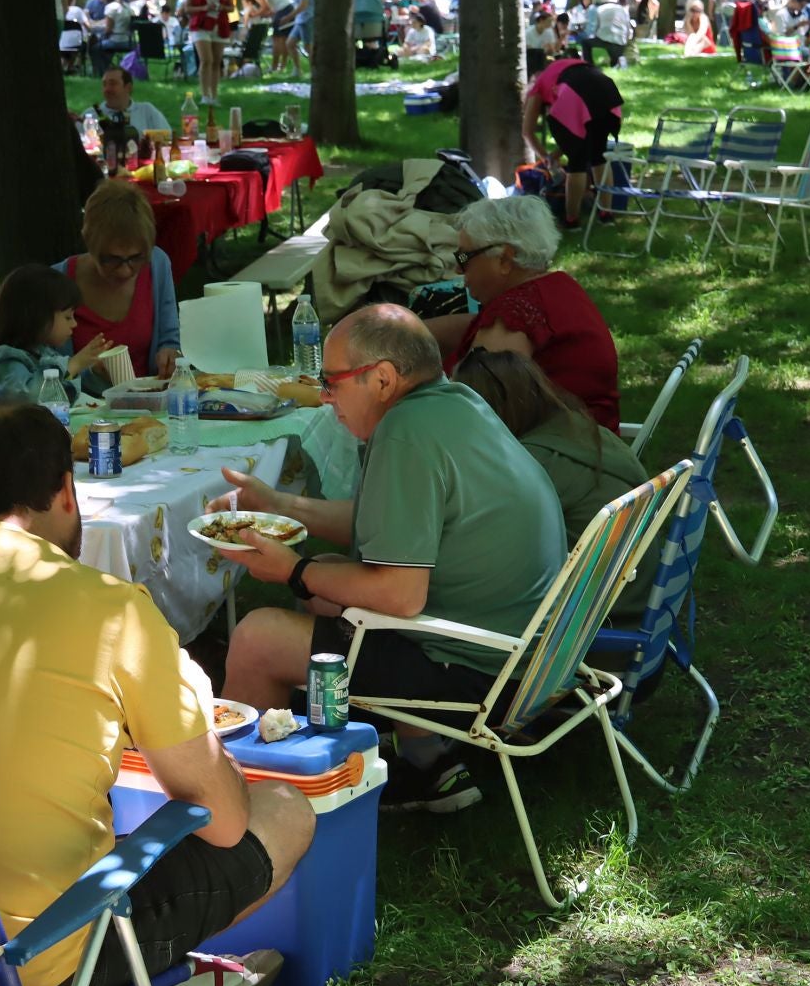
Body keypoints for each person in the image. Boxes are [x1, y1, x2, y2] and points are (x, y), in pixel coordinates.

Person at [0, 404, 312, 986]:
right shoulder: (111, 609)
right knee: (284, 812)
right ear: (67, 492)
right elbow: (226, 825)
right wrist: (204, 730)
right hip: (24, 967)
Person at [212, 305, 562, 813]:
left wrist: (294, 570)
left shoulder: (404, 431)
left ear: (382, 379)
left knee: (256, 637)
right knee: (326, 589)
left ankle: (242, 815)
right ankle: (427, 762)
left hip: (482, 669)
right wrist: (282, 504)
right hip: (530, 652)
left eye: (332, 383)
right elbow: (394, 522)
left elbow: (400, 594)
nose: (326, 398)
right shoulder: (454, 403)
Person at [451, 349, 649, 626]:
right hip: (634, 604)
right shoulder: (582, 431)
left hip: (594, 627)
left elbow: (473, 550)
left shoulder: (526, 463)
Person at [424, 196, 621, 433]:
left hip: (550, 459)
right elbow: (473, 327)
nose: (457, 268)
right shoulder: (557, 287)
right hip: (591, 446)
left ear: (505, 259)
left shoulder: (512, 314)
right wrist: (410, 332)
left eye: (464, 257)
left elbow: (469, 418)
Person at [55, 179, 182, 387]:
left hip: (151, 402)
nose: (125, 270)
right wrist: (91, 375)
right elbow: (51, 375)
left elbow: (169, 337)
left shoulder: (157, 265)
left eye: (136, 258)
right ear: (89, 242)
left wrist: (170, 353)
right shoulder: (58, 283)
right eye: (112, 259)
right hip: (87, 409)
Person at [0, 264, 111, 407]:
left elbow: (66, 390)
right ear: (37, 317)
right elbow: (30, 400)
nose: (74, 324)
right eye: (68, 317)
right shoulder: (4, 361)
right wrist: (74, 364)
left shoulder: (44, 353)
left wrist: (95, 374)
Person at [519, 55, 623, 229]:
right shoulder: (567, 67)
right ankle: (606, 215)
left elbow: (527, 132)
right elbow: (577, 137)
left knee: (577, 163)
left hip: (573, 96)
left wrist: (546, 158)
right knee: (599, 157)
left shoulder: (538, 85)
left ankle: (572, 221)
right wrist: (554, 155)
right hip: (607, 91)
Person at [183, 0, 233, 106]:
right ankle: (205, 95)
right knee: (206, 60)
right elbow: (187, 8)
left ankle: (214, 95)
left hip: (219, 24)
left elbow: (231, 7)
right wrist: (204, 7)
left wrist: (221, 6)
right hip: (200, 25)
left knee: (216, 61)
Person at [90, 65, 170, 135]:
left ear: (128, 87)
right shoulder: (91, 115)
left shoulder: (147, 111)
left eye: (113, 84)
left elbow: (168, 140)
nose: (106, 89)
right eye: (104, 84)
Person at [279, 0, 314, 76]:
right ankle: (297, 70)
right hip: (301, 21)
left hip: (306, 19)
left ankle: (316, 71)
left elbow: (303, 5)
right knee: (290, 43)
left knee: (308, 47)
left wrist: (289, 17)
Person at [584, 0, 633, 66]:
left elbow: (595, 26)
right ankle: (617, 63)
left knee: (585, 43)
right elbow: (628, 26)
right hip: (621, 41)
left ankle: (589, 64)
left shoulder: (599, 9)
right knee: (615, 61)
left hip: (604, 40)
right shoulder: (623, 9)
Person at [58, 0, 89, 71]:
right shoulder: (77, 10)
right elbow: (88, 26)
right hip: (76, 43)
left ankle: (65, 66)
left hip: (60, 43)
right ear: (73, 0)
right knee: (83, 43)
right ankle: (74, 66)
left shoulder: (58, 12)